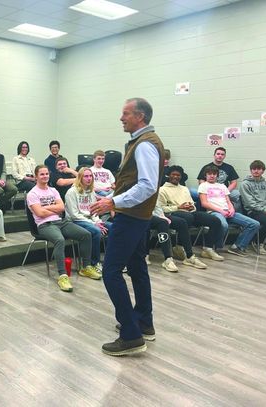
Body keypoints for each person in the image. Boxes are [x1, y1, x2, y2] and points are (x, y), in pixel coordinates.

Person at [90, 97, 164, 356]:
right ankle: (144, 322)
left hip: (130, 217)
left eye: (126, 114)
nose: (121, 118)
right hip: (138, 216)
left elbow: (146, 185)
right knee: (136, 267)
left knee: (111, 272)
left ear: (140, 116)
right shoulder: (144, 142)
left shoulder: (144, 145)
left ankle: (131, 335)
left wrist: (113, 200)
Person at [28, 165, 94, 292]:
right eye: (42, 174)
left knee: (86, 234)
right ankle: (63, 276)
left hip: (61, 222)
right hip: (44, 225)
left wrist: (45, 208)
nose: (45, 176)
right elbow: (39, 214)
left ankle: (86, 267)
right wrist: (53, 208)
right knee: (60, 240)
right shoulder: (32, 193)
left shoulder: (53, 190)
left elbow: (62, 208)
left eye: (46, 173)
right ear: (36, 176)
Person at [158, 165, 224, 261]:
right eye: (173, 174)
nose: (176, 177)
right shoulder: (162, 190)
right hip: (174, 213)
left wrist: (191, 206)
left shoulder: (184, 188)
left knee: (215, 220)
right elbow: (162, 208)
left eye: (178, 175)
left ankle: (207, 249)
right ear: (169, 175)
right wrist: (178, 207)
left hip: (189, 212)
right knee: (188, 218)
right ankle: (179, 247)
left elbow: (192, 203)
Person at [198, 165, 260, 256]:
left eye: (214, 174)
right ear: (206, 175)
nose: (212, 176)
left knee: (254, 224)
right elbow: (204, 203)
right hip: (214, 212)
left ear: (217, 175)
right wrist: (221, 211)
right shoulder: (203, 186)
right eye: (209, 174)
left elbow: (228, 201)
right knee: (223, 225)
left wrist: (232, 209)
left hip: (228, 212)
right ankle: (214, 247)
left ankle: (237, 247)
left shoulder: (222, 186)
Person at [65, 167, 108, 276]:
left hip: (90, 220)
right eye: (86, 176)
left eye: (90, 176)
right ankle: (95, 263)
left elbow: (94, 211)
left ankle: (112, 260)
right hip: (75, 221)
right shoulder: (71, 192)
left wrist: (98, 221)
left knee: (112, 227)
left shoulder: (91, 191)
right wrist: (94, 224)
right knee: (96, 231)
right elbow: (74, 215)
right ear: (80, 178)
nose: (89, 178)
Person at [148, 201, 208, 272]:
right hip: (143, 216)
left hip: (158, 214)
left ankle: (189, 256)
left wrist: (162, 216)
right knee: (163, 223)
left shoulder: (153, 191)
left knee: (181, 222)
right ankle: (168, 258)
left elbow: (157, 205)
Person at [240, 160, 266, 254]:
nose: (256, 171)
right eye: (254, 169)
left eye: (259, 169)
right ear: (251, 170)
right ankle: (258, 242)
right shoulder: (245, 184)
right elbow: (250, 203)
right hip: (253, 211)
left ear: (263, 171)